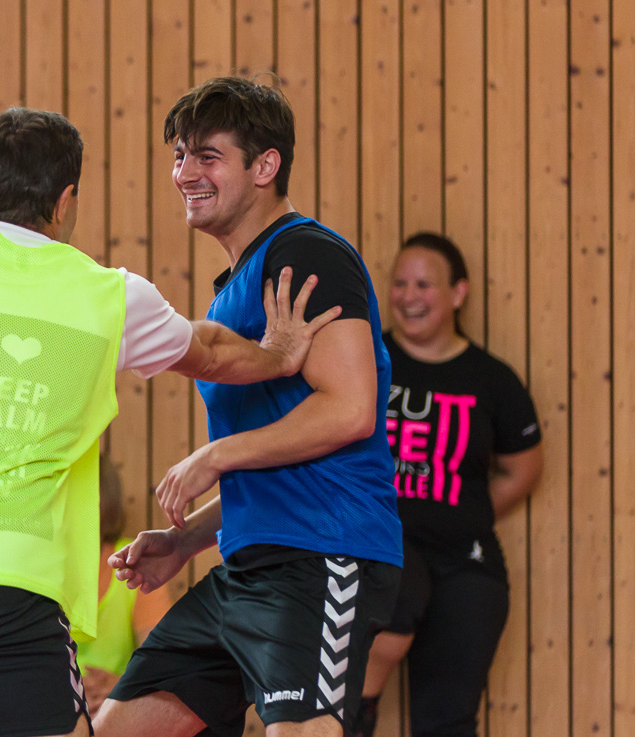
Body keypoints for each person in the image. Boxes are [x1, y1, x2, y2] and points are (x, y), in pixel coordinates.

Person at [0, 106, 340, 737]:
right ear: (65, 200)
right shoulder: (112, 294)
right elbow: (208, 350)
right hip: (9, 566)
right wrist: (277, 356)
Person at [95, 76, 403, 737]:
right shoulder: (236, 283)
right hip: (247, 569)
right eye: (180, 155)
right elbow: (276, 461)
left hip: (322, 554)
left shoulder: (304, 255)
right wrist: (185, 539)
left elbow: (350, 410)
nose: (185, 173)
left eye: (207, 156)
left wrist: (215, 455)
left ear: (265, 166)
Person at [352, 233, 543, 737]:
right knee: (349, 700)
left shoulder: (492, 379)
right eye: (399, 284)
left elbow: (523, 470)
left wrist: (460, 513)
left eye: (423, 285)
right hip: (380, 552)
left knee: (447, 721)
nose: (408, 296)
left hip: (466, 564)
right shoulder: (364, 361)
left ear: (458, 293)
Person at [77, 456, 172, 717]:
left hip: (118, 709)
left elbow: (161, 662)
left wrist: (122, 687)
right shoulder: (39, 566)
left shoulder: (135, 562)